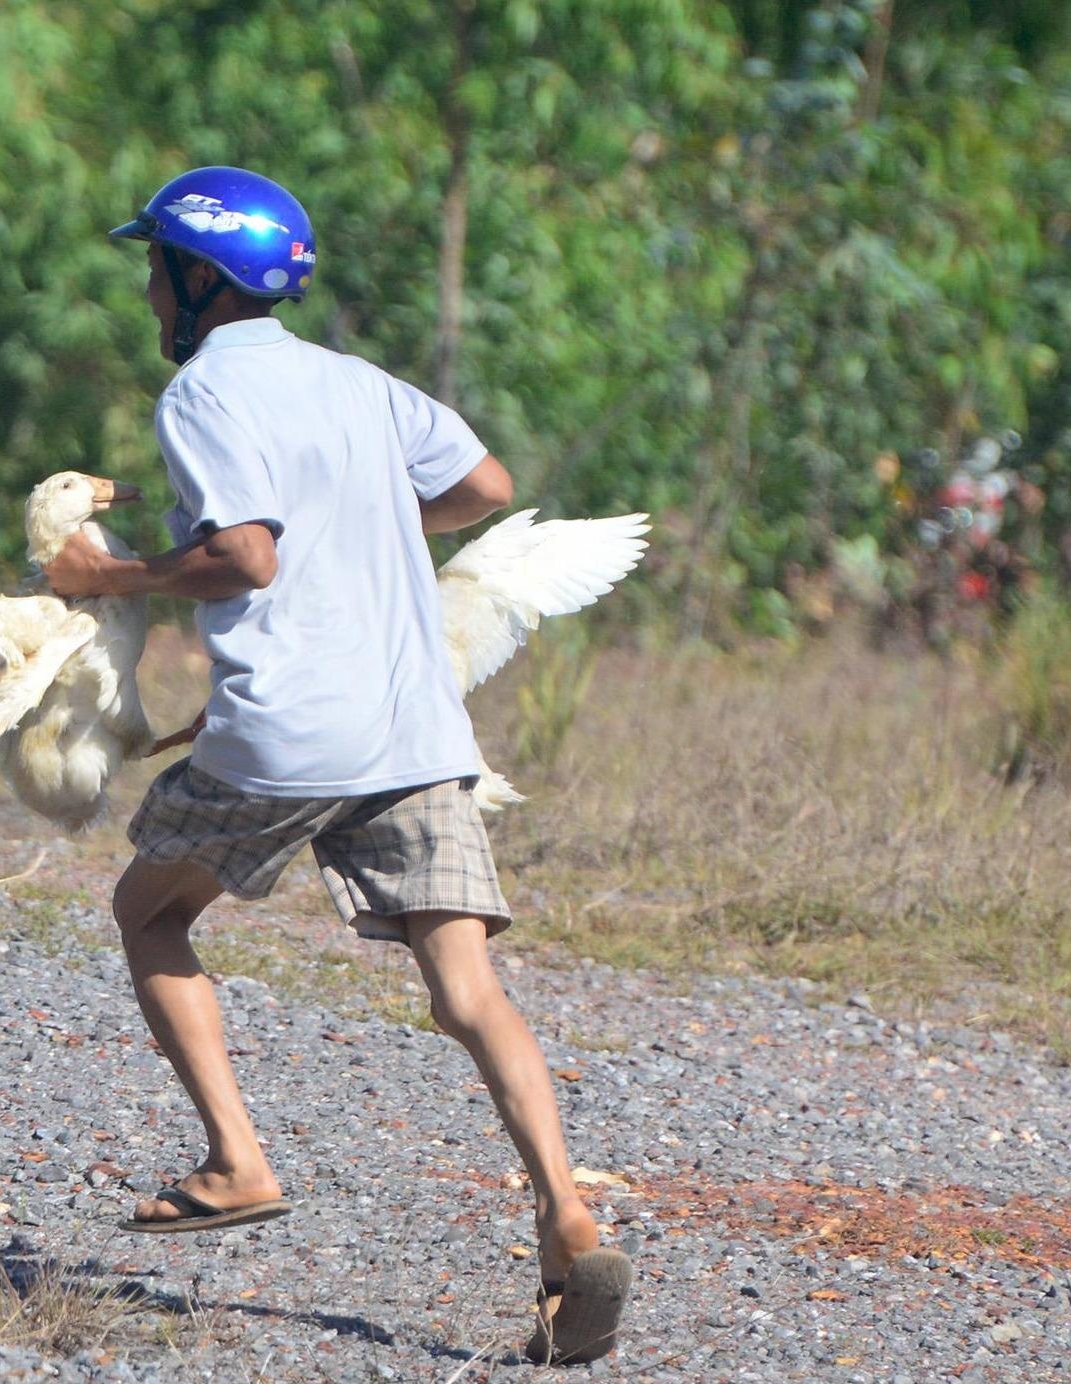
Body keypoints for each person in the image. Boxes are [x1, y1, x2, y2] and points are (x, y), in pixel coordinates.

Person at [41, 167, 632, 1365]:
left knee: (147, 911)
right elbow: (485, 487)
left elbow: (243, 557)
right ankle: (568, 1217)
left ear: (199, 278)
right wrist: (364, 527)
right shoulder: (360, 383)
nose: (147, 287)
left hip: (289, 733)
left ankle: (236, 1159)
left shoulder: (203, 390)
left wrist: (107, 576)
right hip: (412, 727)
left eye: (154, 265)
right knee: (466, 991)